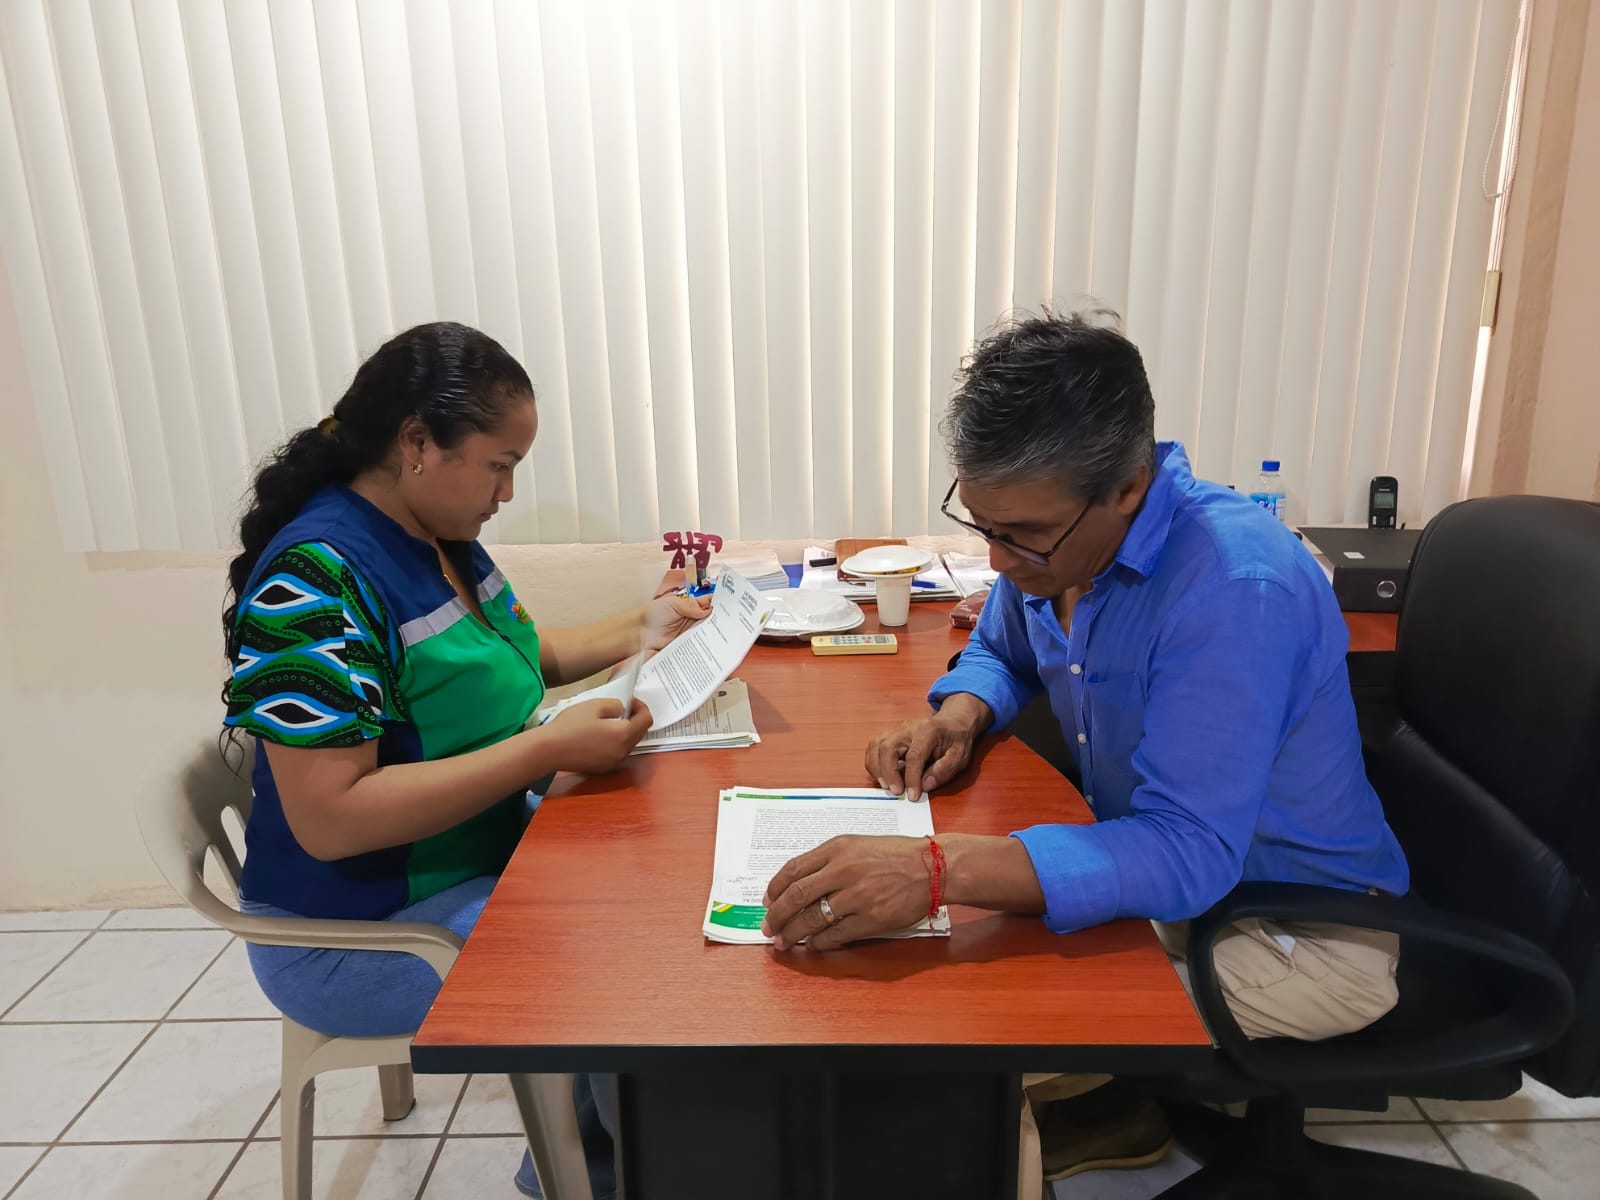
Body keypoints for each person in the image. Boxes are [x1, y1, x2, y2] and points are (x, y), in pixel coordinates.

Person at [758, 310, 1410, 1191]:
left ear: (1129, 487)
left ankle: (1070, 1116)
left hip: (1297, 931)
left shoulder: (1233, 590)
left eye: (1020, 532)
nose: (998, 559)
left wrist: (936, 868)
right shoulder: (1059, 550)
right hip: (1173, 890)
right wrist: (960, 715)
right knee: (925, 979)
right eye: (981, 524)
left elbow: (1187, 851)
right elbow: (1002, 647)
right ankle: (1118, 1111)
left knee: (953, 1042)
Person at [220, 322, 707, 1200]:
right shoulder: (313, 581)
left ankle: (596, 1154)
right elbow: (332, 819)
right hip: (356, 933)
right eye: (498, 465)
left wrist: (643, 626)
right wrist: (542, 748)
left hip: (468, 861)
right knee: (619, 954)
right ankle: (600, 1174)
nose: (508, 492)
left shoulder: (438, 537)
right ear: (416, 442)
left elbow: (515, 660)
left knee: (647, 875)